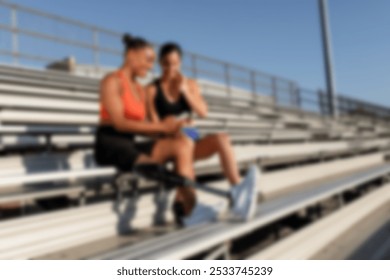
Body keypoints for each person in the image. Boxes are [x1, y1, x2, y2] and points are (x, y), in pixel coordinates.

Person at [145, 42, 257, 222]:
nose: (171, 69)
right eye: (166, 63)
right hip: (168, 142)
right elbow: (152, 128)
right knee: (183, 136)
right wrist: (171, 125)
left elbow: (203, 112)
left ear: (180, 63)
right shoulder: (151, 90)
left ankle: (238, 191)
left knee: (222, 138)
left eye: (175, 64)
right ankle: (191, 208)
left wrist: (185, 93)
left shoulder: (190, 84)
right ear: (160, 63)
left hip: (191, 136)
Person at [94, 34, 197, 225]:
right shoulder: (111, 80)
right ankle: (191, 207)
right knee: (153, 168)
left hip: (129, 144)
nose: (151, 66)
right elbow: (119, 123)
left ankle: (188, 209)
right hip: (108, 144)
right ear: (131, 55)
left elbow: (145, 127)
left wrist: (174, 128)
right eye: (148, 60)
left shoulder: (140, 89)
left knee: (182, 145)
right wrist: (160, 126)